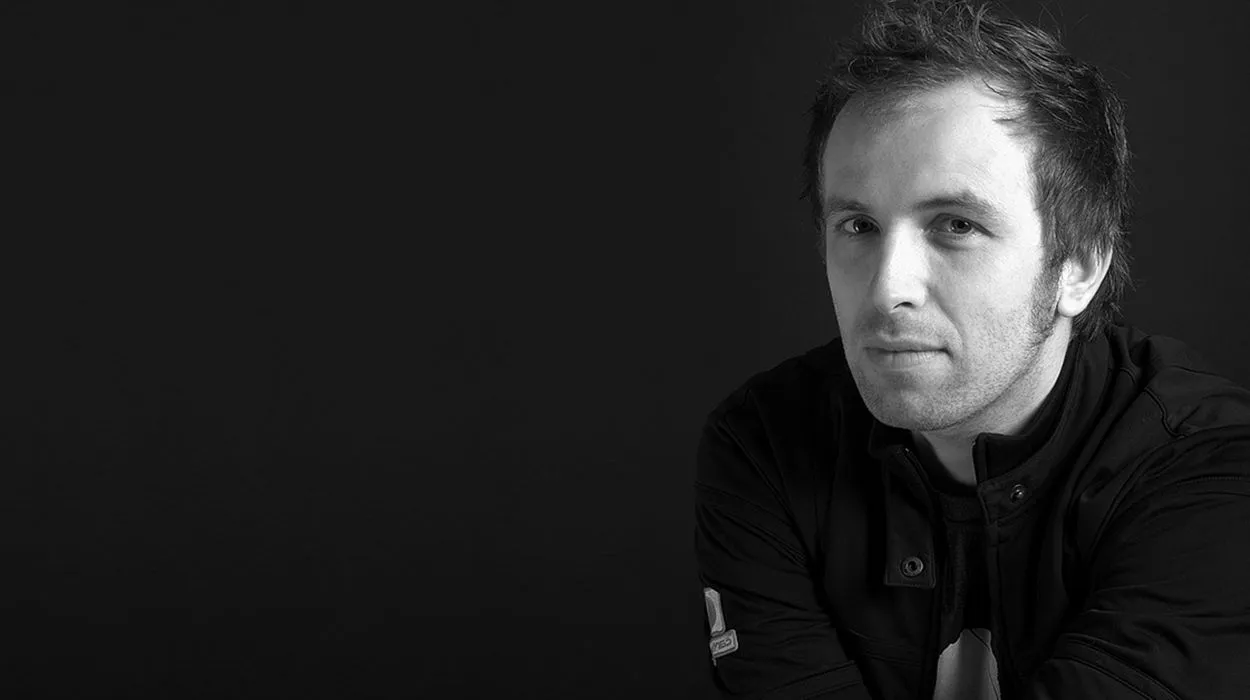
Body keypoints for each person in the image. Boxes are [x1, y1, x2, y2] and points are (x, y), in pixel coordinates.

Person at [692, 1, 1250, 698]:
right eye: (858, 225)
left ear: (1079, 266)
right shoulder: (766, 444)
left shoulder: (1210, 470)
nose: (888, 289)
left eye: (956, 224)